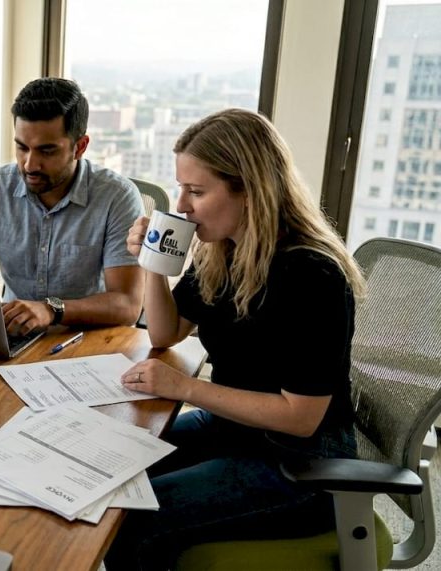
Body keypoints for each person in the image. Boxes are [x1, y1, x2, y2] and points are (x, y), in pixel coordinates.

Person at [105, 108, 366, 570]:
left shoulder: (311, 275)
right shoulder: (222, 250)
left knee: (131, 517)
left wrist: (184, 389)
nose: (181, 205)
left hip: (302, 464)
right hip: (232, 431)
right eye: (181, 187)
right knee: (111, 470)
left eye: (197, 191)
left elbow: (301, 418)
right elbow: (166, 332)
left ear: (248, 189)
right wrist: (153, 265)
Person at [0, 78, 144, 335]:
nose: (30, 164)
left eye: (47, 151)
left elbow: (127, 305)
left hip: (85, 339)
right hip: (14, 334)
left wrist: (51, 309)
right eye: (22, 148)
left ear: (80, 147)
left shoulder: (117, 197)